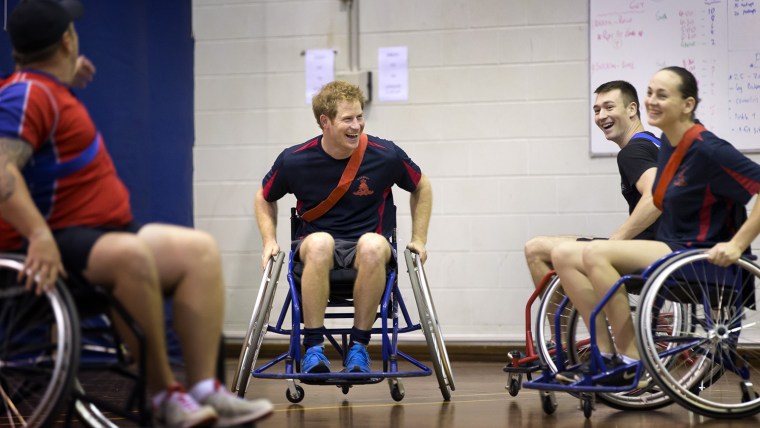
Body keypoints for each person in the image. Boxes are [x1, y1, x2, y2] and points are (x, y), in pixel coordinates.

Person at [0, 1, 273, 427]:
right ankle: (163, 394)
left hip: (96, 231)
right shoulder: (26, 93)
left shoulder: (46, 87)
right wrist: (38, 235)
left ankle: (205, 390)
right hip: (54, 238)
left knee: (197, 251)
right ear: (67, 40)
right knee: (130, 255)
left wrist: (65, 74)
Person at [554, 66, 760, 385]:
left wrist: (736, 244)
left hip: (704, 261)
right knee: (564, 254)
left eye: (661, 95)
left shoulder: (706, 148)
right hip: (672, 251)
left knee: (595, 253)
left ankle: (630, 359)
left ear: (687, 104)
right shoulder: (668, 145)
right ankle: (605, 355)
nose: (651, 100)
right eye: (649, 92)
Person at [254, 80, 432, 374]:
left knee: (373, 245)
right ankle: (313, 348)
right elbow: (264, 197)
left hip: (368, 247)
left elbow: (422, 186)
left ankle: (359, 348)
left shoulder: (384, 154)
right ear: (325, 121)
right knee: (322, 241)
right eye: (348, 119)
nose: (357, 125)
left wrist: (420, 239)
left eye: (360, 116)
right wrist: (269, 240)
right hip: (315, 247)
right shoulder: (295, 160)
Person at [519, 81, 661, 362]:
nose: (601, 116)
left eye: (609, 107)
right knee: (552, 244)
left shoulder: (633, 151)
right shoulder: (654, 143)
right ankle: (569, 340)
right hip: (661, 245)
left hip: (651, 252)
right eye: (596, 109)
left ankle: (565, 346)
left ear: (632, 109)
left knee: (536, 249)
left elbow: (656, 196)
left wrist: (616, 242)